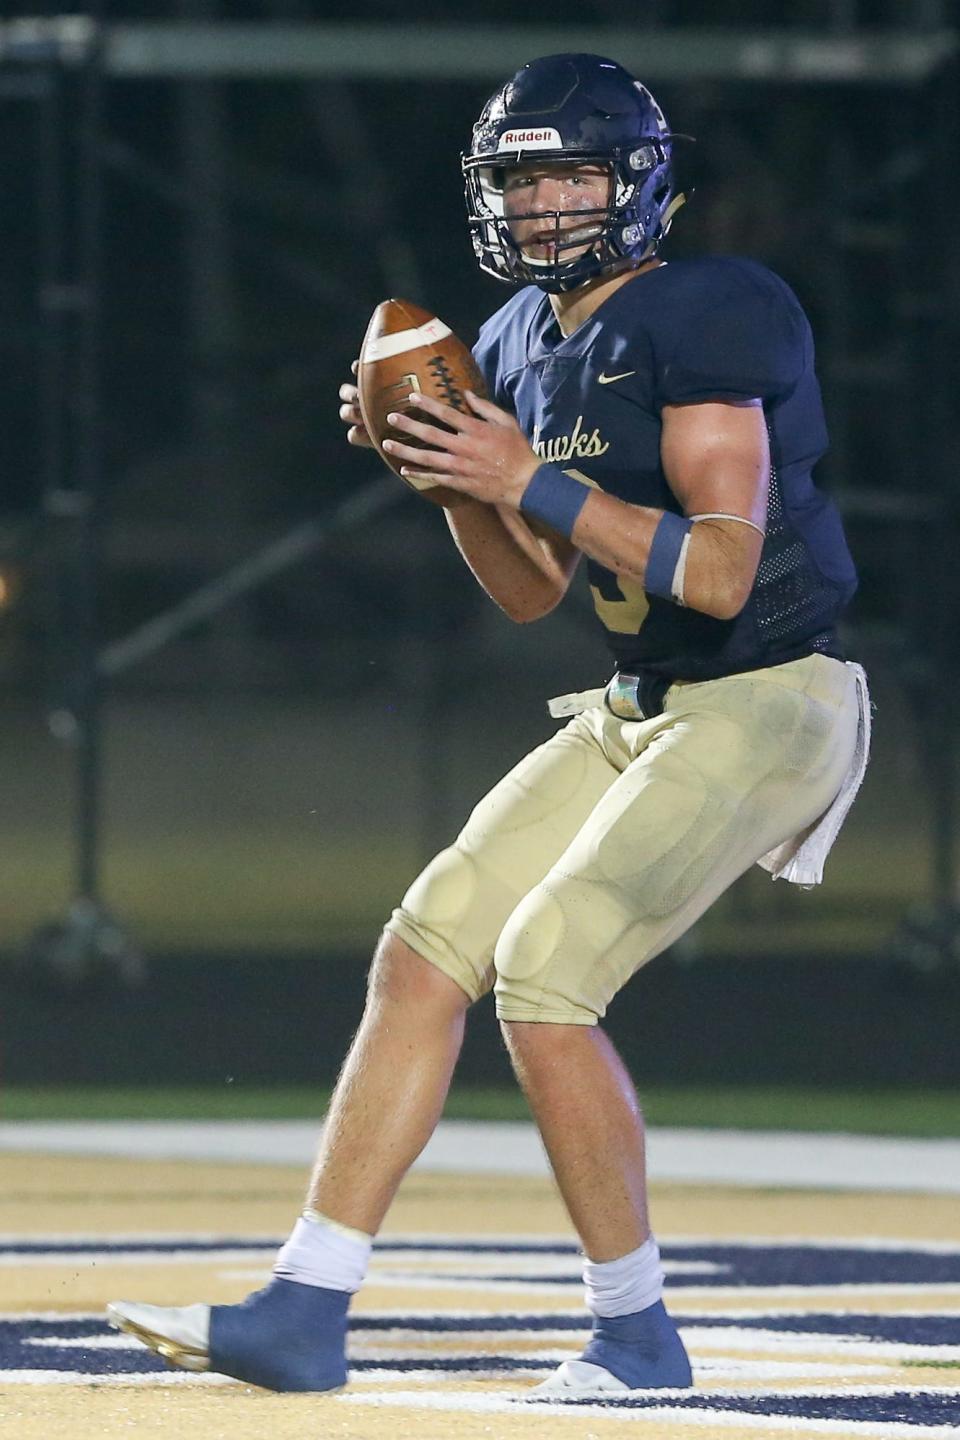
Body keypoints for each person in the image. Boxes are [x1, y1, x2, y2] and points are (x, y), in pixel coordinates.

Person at [108, 52, 868, 1397]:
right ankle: (306, 1303)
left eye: (573, 171)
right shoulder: (515, 340)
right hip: (644, 704)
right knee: (425, 947)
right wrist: (457, 484)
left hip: (772, 693)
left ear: (639, 182)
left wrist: (521, 470)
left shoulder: (710, 311)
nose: (544, 202)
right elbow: (533, 593)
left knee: (548, 967)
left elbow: (721, 573)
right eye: (521, 177)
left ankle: (636, 1336)